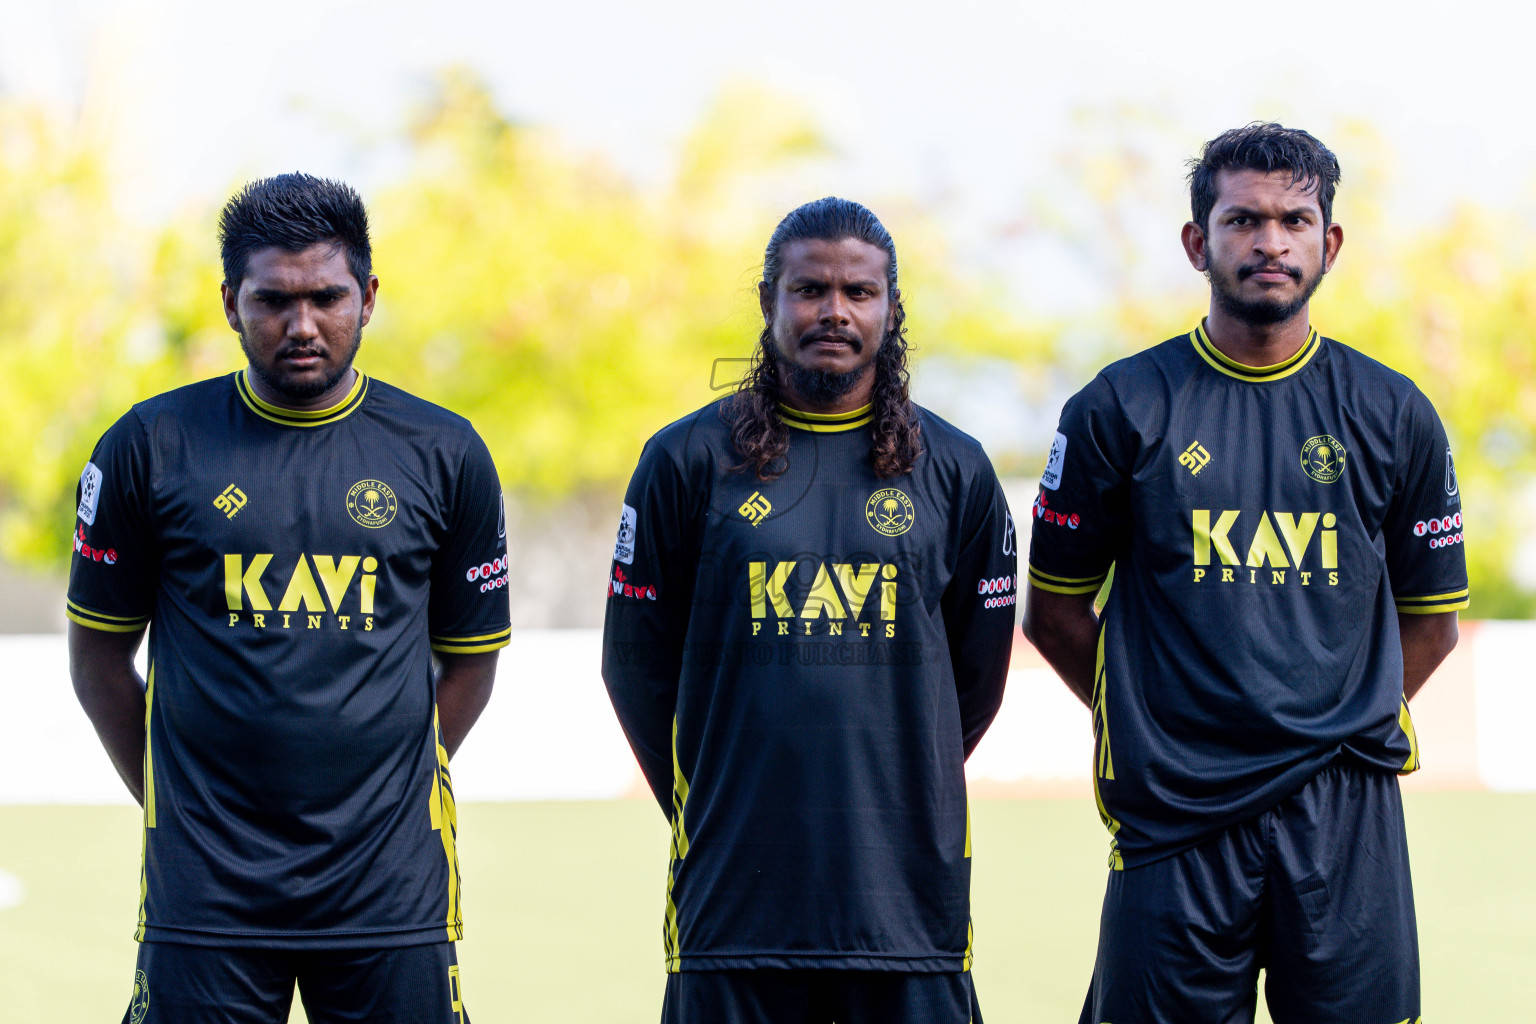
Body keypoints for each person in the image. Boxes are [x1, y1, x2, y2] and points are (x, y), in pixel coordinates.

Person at [1023, 123, 1466, 1024]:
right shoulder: (1120, 407)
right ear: (1199, 242)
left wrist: (1332, 723)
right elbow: (1055, 614)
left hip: (1343, 812)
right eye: (1244, 220)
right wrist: (1153, 720)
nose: (1271, 242)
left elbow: (1433, 623)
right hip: (1178, 814)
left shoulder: (1392, 411)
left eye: (1296, 221)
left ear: (1329, 244)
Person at [67, 173, 509, 1024]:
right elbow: (98, 661)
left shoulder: (445, 453)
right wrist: (177, 796)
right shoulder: (148, 446)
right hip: (207, 895)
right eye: (273, 300)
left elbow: (471, 662)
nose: (301, 325)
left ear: (369, 298)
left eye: (326, 298)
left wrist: (381, 787)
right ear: (231, 302)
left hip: (389, 891)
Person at [602, 197, 1016, 1024]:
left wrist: (896, 769)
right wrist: (714, 797)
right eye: (810, 289)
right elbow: (635, 666)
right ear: (769, 303)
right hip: (732, 905)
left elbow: (975, 677)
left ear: (891, 308)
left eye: (859, 293)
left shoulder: (958, 470)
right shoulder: (684, 460)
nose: (834, 311)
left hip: (907, 910)